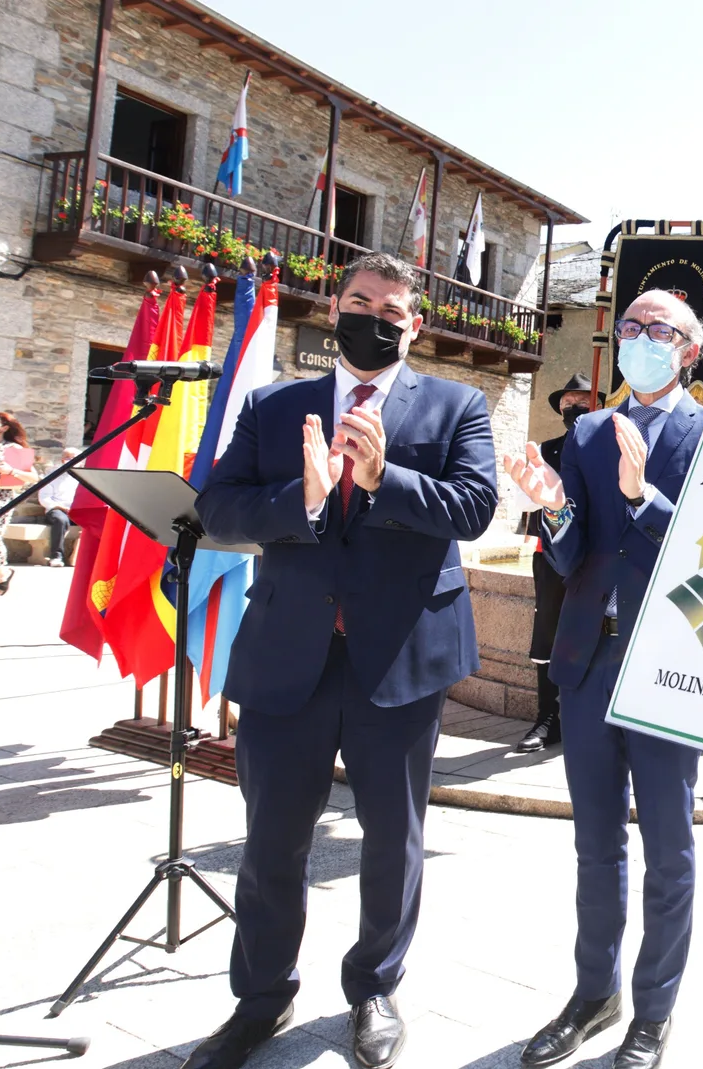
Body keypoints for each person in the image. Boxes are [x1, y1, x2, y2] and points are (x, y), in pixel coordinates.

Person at [190, 252, 497, 1069]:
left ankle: (374, 988)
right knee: (270, 840)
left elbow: (474, 507)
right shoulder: (273, 403)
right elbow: (217, 505)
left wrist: (381, 475)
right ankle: (260, 1000)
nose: (374, 317)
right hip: (289, 655)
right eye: (360, 301)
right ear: (335, 308)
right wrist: (311, 497)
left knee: (392, 839)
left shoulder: (458, 404)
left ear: (414, 325)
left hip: (396, 661)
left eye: (392, 311)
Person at [502, 290, 703, 1069]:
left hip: (667, 665)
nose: (641, 338)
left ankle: (652, 1012)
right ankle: (596, 992)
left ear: (690, 349)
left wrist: (641, 496)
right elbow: (572, 554)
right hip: (588, 660)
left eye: (660, 330)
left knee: (671, 848)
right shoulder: (587, 429)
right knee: (595, 844)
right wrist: (553, 509)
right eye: (631, 327)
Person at [513, 373, 597, 754]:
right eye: (566, 402)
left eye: (580, 400)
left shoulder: (607, 446)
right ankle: (548, 718)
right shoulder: (548, 450)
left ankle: (593, 718)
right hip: (551, 555)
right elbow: (526, 507)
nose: (572, 407)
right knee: (547, 630)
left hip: (599, 553)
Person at [0, 412, 38, 595]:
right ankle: (4, 572)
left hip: (0, 501)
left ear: (4, 427)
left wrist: (11, 470)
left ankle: (3, 572)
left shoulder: (12, 449)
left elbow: (33, 477)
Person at [38, 448, 79, 567]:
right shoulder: (53, 475)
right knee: (61, 520)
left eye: (73, 458)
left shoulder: (82, 477)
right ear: (62, 460)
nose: (70, 460)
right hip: (57, 509)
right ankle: (57, 556)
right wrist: (61, 507)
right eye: (67, 457)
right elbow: (44, 498)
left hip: (77, 510)